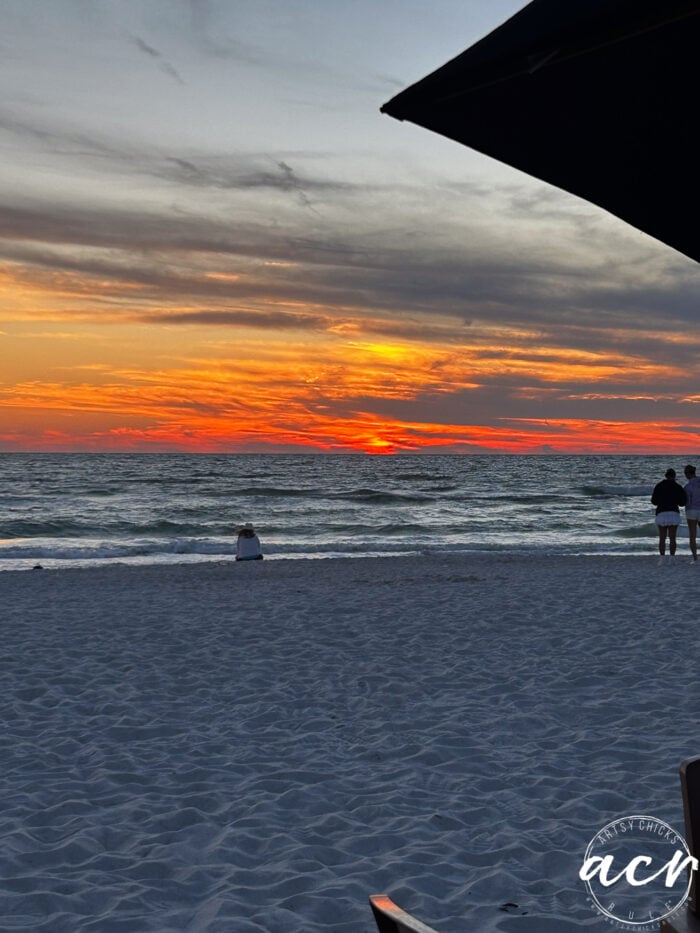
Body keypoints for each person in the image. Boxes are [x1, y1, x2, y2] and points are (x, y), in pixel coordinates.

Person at [651, 468, 686, 563]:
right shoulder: (678, 487)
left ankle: (662, 558)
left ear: (666, 476)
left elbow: (654, 501)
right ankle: (672, 558)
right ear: (674, 476)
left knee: (662, 538)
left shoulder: (659, 486)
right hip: (673, 513)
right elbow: (682, 503)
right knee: (672, 537)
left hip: (662, 513)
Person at [683, 464, 700, 562]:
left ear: (688, 474)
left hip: (692, 510)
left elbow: (687, 502)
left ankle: (695, 558)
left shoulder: (687, 487)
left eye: (685, 473)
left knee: (692, 535)